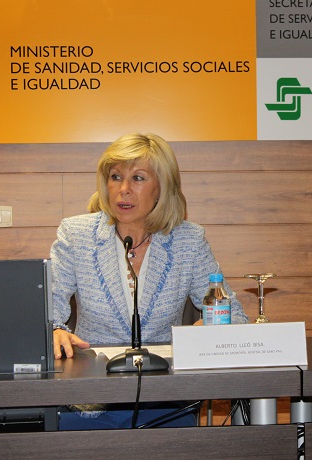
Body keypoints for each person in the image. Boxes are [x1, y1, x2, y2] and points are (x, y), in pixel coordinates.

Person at [50, 132, 248, 428]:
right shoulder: (76, 235)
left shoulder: (188, 240)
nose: (124, 190)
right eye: (115, 177)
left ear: (162, 189)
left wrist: (210, 327)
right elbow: (45, 314)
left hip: (165, 401)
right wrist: (54, 330)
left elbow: (236, 317)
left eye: (138, 178)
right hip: (89, 400)